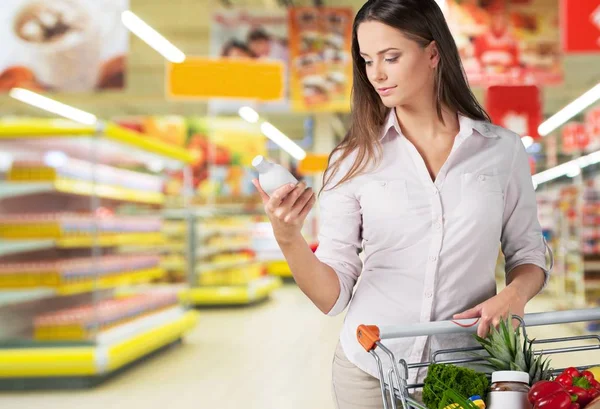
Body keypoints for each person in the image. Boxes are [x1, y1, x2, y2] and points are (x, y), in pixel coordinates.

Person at [252, 1, 549, 408]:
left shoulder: (501, 150)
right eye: (367, 60)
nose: (377, 74)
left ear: (432, 54)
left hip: (465, 366)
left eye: (391, 57)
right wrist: (288, 237)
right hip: (372, 367)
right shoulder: (352, 159)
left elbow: (528, 252)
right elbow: (332, 297)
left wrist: (515, 294)